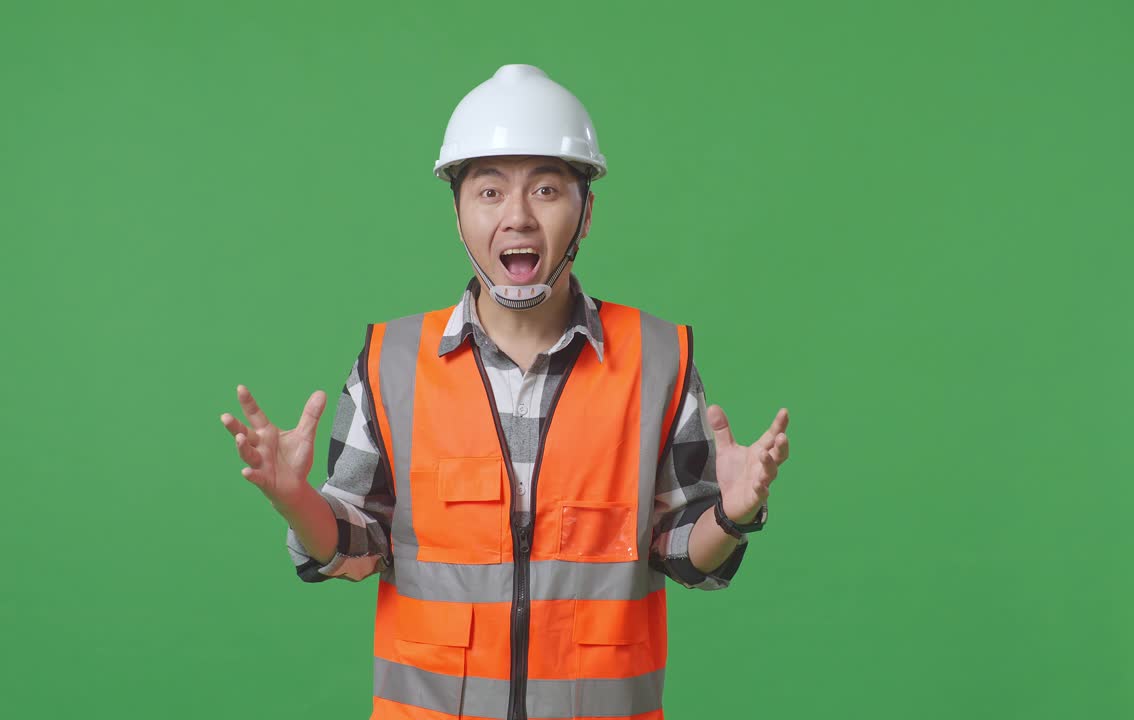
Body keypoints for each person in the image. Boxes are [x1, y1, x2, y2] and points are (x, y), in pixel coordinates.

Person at [220, 64, 792, 720]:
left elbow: (686, 555)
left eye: (546, 190)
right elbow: (356, 549)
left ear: (586, 209)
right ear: (458, 213)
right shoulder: (391, 364)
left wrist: (734, 515)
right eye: (489, 192)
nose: (517, 216)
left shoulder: (657, 359)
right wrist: (297, 503)